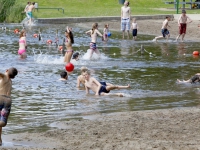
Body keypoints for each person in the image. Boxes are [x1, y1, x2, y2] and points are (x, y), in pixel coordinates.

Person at [0, 67, 18, 145]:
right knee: (2, 122)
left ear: (7, 70)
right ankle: (0, 140)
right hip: (7, 101)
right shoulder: (10, 82)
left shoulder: (4, 76)